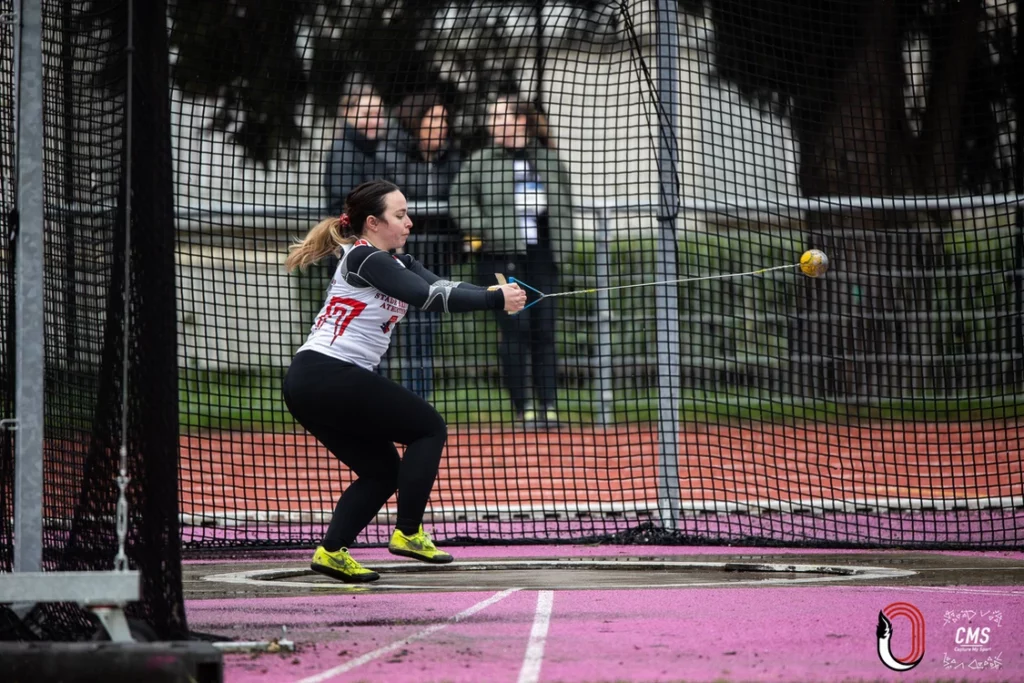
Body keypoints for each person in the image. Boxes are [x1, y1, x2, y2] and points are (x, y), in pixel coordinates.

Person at [282, 179, 526, 583]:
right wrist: (494, 299)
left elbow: (439, 287)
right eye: (400, 215)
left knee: (381, 472)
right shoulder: (367, 259)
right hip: (327, 372)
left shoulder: (394, 262)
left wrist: (491, 291)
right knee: (428, 428)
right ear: (374, 223)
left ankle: (330, 552)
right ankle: (409, 532)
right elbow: (428, 299)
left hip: (312, 382)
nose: (409, 222)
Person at [449, 94, 573, 428]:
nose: (494, 123)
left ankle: (548, 406)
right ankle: (524, 407)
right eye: (492, 117)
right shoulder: (479, 161)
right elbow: (459, 200)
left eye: (502, 117)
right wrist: (485, 228)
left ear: (521, 120)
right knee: (515, 329)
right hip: (500, 258)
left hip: (542, 255)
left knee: (545, 330)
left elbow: (564, 201)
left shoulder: (547, 158)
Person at [388, 93, 463, 398]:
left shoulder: (452, 159)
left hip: (434, 259)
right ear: (416, 121)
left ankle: (417, 400)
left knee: (423, 334)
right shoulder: (392, 155)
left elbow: (457, 204)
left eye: (444, 120)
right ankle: (380, 404)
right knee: (386, 333)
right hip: (396, 258)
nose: (441, 126)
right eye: (434, 119)